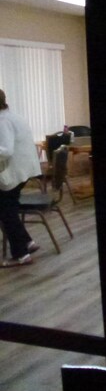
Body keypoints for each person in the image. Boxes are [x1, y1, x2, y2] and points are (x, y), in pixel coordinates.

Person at [0, 89, 42, 267]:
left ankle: (21, 255)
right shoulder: (13, 116)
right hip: (25, 170)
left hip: (15, 172)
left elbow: (7, 150)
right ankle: (27, 242)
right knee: (8, 208)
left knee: (5, 211)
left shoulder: (2, 121)